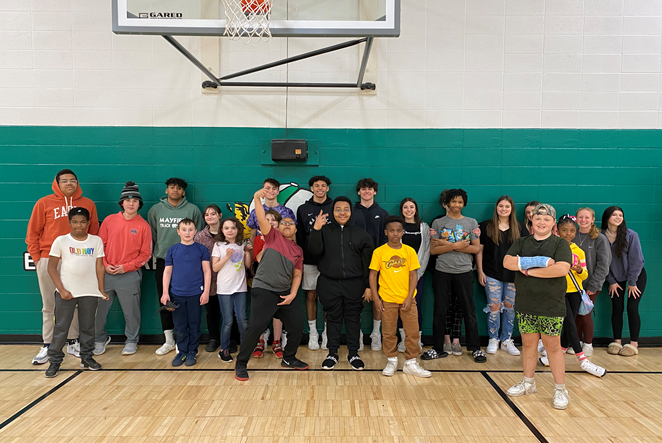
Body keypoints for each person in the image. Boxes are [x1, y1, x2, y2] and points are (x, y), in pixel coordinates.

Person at [26, 169, 99, 365]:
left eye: (73, 180)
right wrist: (38, 259)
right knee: (49, 305)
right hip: (48, 259)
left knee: (74, 301)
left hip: (77, 260)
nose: (69, 183)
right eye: (65, 181)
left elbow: (93, 232)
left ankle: (73, 341)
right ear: (57, 184)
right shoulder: (44, 203)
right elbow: (32, 234)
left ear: (77, 183)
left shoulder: (87, 204)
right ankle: (48, 344)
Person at [503, 204, 572, 410]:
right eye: (538, 218)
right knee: (528, 345)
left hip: (551, 305)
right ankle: (528, 383)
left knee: (552, 347)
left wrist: (527, 270)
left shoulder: (560, 244)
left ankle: (560, 389)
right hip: (526, 304)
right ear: (531, 221)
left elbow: (561, 269)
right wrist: (540, 262)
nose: (542, 222)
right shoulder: (521, 242)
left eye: (546, 219)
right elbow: (507, 262)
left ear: (553, 223)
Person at [235, 189, 308, 381]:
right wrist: (256, 198)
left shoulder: (298, 250)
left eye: (291, 223)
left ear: (295, 229)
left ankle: (289, 358)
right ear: (278, 227)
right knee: (256, 327)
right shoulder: (272, 237)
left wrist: (292, 294)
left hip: (284, 293)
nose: (287, 225)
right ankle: (241, 363)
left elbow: (297, 274)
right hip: (264, 289)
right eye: (283, 223)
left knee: (297, 325)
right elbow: (261, 218)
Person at [308, 196, 375, 370]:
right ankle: (332, 353)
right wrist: (316, 229)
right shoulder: (323, 230)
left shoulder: (361, 234)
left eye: (346, 209)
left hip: (354, 284)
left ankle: (353, 354)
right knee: (332, 318)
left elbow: (368, 263)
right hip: (329, 283)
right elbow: (313, 252)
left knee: (353, 319)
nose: (342, 213)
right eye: (338, 209)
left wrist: (368, 286)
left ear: (351, 212)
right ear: (332, 212)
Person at [538, 215, 606, 378]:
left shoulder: (579, 251)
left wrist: (579, 270)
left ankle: (558, 354)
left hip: (575, 292)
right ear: (557, 230)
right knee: (569, 323)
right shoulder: (551, 249)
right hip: (558, 292)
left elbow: (585, 275)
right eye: (564, 230)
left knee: (570, 325)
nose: (568, 234)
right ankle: (583, 360)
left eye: (572, 231)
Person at [423, 189, 485, 363]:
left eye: (460, 202)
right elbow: (433, 250)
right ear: (447, 203)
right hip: (442, 271)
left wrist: (446, 244)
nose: (456, 205)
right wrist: (456, 245)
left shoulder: (471, 222)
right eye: (453, 201)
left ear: (464, 204)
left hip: (464, 271)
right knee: (440, 310)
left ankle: (475, 348)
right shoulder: (438, 223)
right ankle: (437, 348)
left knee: (469, 310)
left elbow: (476, 248)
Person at [45, 207, 108, 378]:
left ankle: (86, 357)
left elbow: (100, 267)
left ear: (88, 223)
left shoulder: (96, 241)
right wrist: (62, 289)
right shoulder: (61, 241)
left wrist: (101, 289)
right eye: (75, 222)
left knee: (87, 327)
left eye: (82, 222)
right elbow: (51, 268)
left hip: (90, 292)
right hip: (67, 292)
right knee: (61, 328)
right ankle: (55, 361)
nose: (78, 225)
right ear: (69, 223)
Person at [94, 182, 152, 356]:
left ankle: (132, 340)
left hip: (129, 275)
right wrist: (105, 265)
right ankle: (99, 339)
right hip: (106, 274)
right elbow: (100, 246)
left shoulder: (144, 226)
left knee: (131, 312)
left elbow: (146, 254)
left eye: (135, 201)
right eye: (127, 200)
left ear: (139, 204)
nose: (131, 203)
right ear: (122, 203)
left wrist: (125, 267)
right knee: (99, 310)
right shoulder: (109, 220)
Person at [148, 178, 204, 356]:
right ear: (166, 190)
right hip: (164, 260)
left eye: (179, 188)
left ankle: (183, 340)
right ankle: (169, 340)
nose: (175, 190)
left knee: (185, 302)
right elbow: (153, 234)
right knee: (165, 299)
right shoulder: (155, 210)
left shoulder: (193, 210)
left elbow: (198, 235)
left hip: (187, 262)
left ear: (183, 192)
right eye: (172, 187)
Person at [370, 216, 431, 378]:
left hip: (407, 300)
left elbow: (413, 275)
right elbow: (373, 275)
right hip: (387, 300)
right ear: (386, 232)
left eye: (398, 231)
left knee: (412, 332)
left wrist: (410, 297)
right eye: (392, 231)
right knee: (389, 333)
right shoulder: (379, 252)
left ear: (403, 232)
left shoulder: (409, 251)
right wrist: (376, 298)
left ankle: (411, 362)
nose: (395, 234)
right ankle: (391, 360)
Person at [475, 196, 527, 356]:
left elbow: (525, 253)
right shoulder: (485, 226)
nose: (504, 209)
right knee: (494, 306)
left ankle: (506, 340)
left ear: (512, 209)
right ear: (496, 208)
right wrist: (480, 270)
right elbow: (479, 250)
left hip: (514, 275)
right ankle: (493, 339)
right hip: (491, 273)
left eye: (507, 206)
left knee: (510, 307)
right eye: (501, 206)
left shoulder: (520, 227)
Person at [160, 218, 211, 367]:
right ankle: (182, 352)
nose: (187, 233)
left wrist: (206, 291)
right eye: (184, 230)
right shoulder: (172, 250)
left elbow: (207, 271)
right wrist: (165, 292)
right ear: (178, 232)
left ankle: (192, 351)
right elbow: (167, 272)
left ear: (195, 231)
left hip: (196, 293)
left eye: (190, 230)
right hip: (177, 294)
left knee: (194, 324)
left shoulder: (201, 249)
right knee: (180, 325)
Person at [602, 206, 646, 357]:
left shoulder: (631, 235)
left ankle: (634, 344)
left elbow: (636, 260)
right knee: (617, 307)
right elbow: (601, 262)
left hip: (636, 275)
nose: (618, 217)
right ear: (607, 217)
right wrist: (611, 280)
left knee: (632, 308)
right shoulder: (600, 236)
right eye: (614, 215)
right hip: (615, 277)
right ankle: (617, 342)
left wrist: (632, 282)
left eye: (620, 215)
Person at [296, 175, 333, 351]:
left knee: (327, 297)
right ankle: (312, 333)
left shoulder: (334, 207)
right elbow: (301, 236)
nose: (320, 188)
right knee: (311, 295)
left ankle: (326, 333)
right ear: (311, 188)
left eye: (323, 185)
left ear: (327, 188)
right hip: (310, 260)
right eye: (316, 185)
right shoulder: (303, 209)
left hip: (330, 260)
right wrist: (302, 258)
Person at [352, 178, 389, 351]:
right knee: (355, 301)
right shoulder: (351, 212)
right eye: (363, 189)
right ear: (358, 192)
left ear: (375, 192)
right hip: (355, 264)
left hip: (378, 264)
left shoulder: (383, 213)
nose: (367, 191)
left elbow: (385, 240)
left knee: (377, 299)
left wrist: (378, 258)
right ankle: (358, 334)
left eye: (370, 189)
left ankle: (375, 334)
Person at [573, 207, 611, 357]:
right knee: (574, 315)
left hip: (591, 285)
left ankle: (588, 344)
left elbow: (604, 264)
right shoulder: (572, 235)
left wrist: (593, 285)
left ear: (592, 219)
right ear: (576, 219)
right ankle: (576, 343)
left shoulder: (600, 238)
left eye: (586, 217)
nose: (583, 220)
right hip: (573, 284)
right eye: (580, 217)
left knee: (585, 314)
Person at [212, 217, 251, 363]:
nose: (230, 230)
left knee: (242, 320)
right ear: (222, 230)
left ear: (238, 230)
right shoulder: (218, 245)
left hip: (240, 288)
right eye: (226, 228)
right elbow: (215, 268)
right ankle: (224, 349)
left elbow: (247, 265)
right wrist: (227, 256)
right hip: (224, 289)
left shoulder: (242, 244)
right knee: (228, 321)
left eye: (233, 228)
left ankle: (245, 349)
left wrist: (247, 252)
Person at [251, 209, 285, 358]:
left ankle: (277, 342)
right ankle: (261, 341)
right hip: (263, 281)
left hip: (279, 280)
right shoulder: (258, 240)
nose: (270, 223)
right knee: (261, 312)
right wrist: (267, 244)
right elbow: (259, 259)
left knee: (278, 312)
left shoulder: (283, 238)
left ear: (278, 223)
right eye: (267, 220)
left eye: (274, 220)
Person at [396, 198, 429, 353]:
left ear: (416, 209)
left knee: (416, 306)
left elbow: (426, 250)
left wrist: (418, 273)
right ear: (401, 210)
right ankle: (404, 340)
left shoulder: (424, 227)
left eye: (411, 207)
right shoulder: (397, 227)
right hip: (399, 275)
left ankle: (416, 340)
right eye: (405, 207)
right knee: (401, 306)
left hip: (418, 274)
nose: (408, 210)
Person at [193, 205, 223, 353]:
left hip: (227, 279)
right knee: (212, 311)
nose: (210, 217)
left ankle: (231, 339)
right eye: (207, 215)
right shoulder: (200, 237)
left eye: (213, 214)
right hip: (209, 280)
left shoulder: (228, 231)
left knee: (230, 311)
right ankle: (213, 338)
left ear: (220, 215)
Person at [247, 178, 296, 245]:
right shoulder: (255, 212)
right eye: (267, 188)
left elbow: (292, 234)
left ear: (278, 191)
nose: (271, 191)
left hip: (281, 248)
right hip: (261, 248)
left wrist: (294, 249)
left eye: (274, 189)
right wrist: (253, 250)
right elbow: (253, 235)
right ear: (262, 190)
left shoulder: (287, 212)